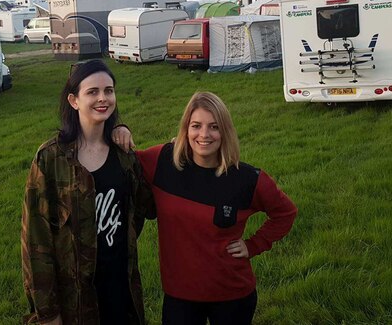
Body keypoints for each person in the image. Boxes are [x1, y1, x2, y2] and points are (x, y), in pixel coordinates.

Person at [114, 92, 297, 325]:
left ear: (225, 132)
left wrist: (253, 245)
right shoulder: (162, 161)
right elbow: (121, 159)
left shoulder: (247, 179)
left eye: (213, 127)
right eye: (196, 126)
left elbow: (286, 212)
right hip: (179, 296)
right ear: (185, 129)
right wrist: (119, 128)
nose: (204, 135)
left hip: (232, 294)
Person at [21, 59, 153, 325]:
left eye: (108, 90)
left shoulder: (124, 155)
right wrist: (47, 312)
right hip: (75, 300)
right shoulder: (51, 159)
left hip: (120, 290)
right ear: (74, 100)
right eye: (92, 92)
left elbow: (142, 210)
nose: (102, 98)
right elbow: (36, 243)